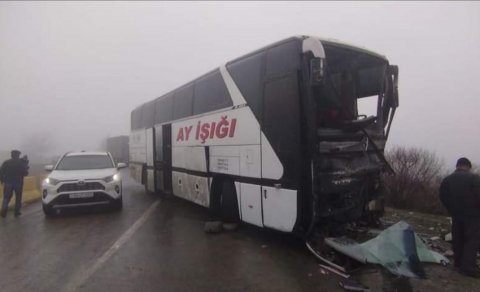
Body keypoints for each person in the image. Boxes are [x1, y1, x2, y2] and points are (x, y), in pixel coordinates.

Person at [439, 157, 480, 277]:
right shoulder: (474, 178)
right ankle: (468, 268)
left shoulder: (447, 180)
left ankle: (458, 263)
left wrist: (452, 209)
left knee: (458, 238)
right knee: (472, 240)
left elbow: (443, 197)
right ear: (467, 166)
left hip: (456, 214)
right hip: (473, 215)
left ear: (457, 166)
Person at [0, 150, 29, 218]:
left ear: (11, 155)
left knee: (6, 197)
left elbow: (1, 172)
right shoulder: (20, 163)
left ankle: (4, 209)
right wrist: (26, 165)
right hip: (18, 183)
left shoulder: (6, 162)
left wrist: (2, 180)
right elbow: (25, 173)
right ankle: (16, 212)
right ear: (18, 155)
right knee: (18, 197)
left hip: (8, 182)